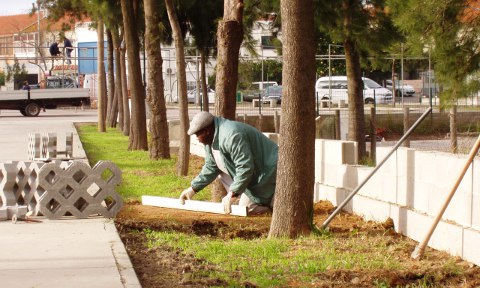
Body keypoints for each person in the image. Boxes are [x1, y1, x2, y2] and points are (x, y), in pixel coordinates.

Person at [179, 111, 278, 215]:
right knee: (245, 210)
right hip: (257, 176)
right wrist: (193, 188)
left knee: (278, 205)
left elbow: (245, 167)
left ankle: (274, 206)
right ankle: (270, 211)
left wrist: (233, 193)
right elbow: (211, 167)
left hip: (271, 170)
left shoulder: (232, 135)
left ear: (206, 131)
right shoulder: (210, 141)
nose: (197, 138)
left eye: (198, 134)